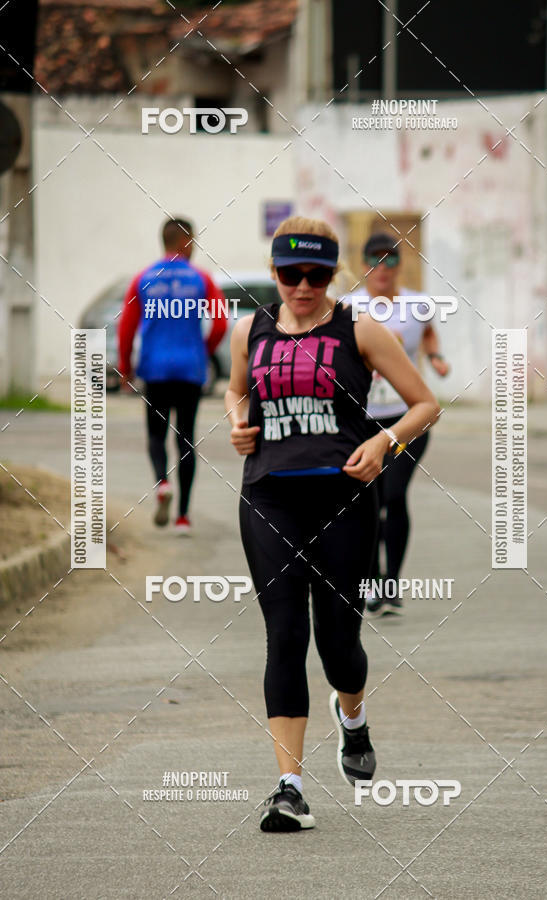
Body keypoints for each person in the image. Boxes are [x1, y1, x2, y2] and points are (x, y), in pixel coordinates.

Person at [225, 216, 440, 832]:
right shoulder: (249, 330)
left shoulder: (360, 329)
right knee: (285, 635)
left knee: (338, 645)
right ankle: (289, 788)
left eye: (316, 276)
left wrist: (384, 442)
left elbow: (425, 404)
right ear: (274, 273)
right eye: (290, 275)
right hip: (269, 496)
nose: (302, 286)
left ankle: (353, 718)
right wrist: (238, 422)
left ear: (332, 275)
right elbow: (236, 392)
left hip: (343, 500)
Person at [346, 232, 450, 616]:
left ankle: (391, 584)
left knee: (393, 494)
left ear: (399, 265)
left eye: (390, 260)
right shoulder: (347, 307)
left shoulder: (417, 305)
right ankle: (373, 583)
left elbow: (428, 333)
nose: (383, 268)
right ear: (363, 265)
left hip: (408, 419)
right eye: (375, 260)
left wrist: (435, 356)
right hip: (362, 420)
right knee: (368, 501)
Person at [118, 217, 226, 534]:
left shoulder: (143, 278)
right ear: (184, 242)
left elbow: (126, 328)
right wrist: (203, 350)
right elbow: (220, 322)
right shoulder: (201, 279)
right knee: (186, 439)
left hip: (155, 369)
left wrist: (125, 368)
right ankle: (183, 518)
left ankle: (162, 484)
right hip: (190, 369)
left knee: (156, 435)